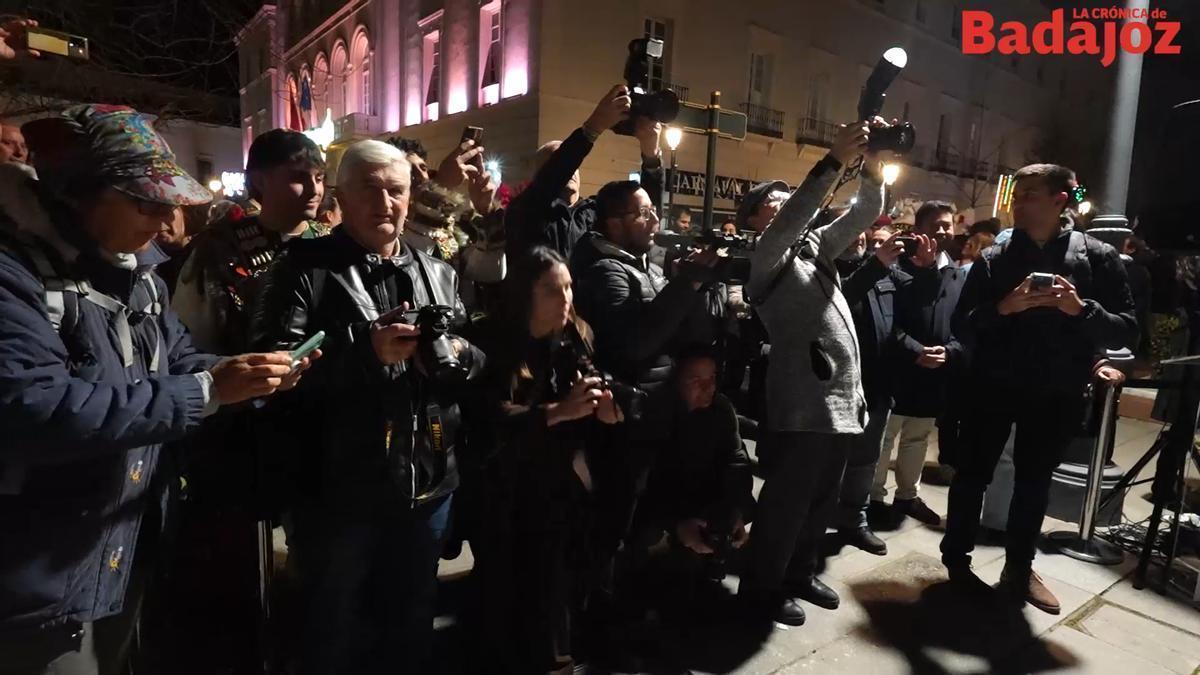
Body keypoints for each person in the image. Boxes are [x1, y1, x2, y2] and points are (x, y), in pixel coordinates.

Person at [0, 104, 313, 675]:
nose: (168, 216)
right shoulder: (14, 275)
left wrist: (243, 374)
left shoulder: (139, 274)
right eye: (146, 201)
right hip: (39, 571)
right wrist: (205, 391)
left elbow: (179, 360)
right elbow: (36, 406)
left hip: (125, 546)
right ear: (76, 194)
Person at [249, 140, 484, 673]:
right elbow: (271, 374)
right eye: (370, 189)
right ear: (342, 196)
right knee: (331, 628)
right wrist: (364, 351)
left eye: (395, 190)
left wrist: (460, 355)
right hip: (335, 490)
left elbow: (472, 360)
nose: (385, 202)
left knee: (410, 620)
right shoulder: (299, 268)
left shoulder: (439, 272)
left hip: (427, 482)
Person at [941, 163, 1138, 615]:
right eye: (1017, 195)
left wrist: (1080, 309)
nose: (1018, 203)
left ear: (1059, 200)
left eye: (1029, 194)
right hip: (991, 387)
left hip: (1054, 392)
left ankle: (1019, 568)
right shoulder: (995, 258)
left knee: (1033, 483)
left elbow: (1127, 330)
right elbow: (963, 325)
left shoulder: (1097, 258)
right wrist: (1004, 307)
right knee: (972, 476)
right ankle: (956, 561)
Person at [738, 120, 887, 626]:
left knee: (821, 500)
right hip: (802, 403)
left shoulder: (814, 248)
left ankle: (799, 572)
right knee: (786, 504)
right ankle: (761, 589)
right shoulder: (766, 255)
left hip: (840, 402)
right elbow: (793, 217)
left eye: (786, 197)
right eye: (773, 201)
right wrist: (832, 162)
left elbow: (865, 211)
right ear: (755, 218)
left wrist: (872, 165)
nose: (785, 203)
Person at [474, 246, 623, 674]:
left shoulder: (576, 334)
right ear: (525, 293)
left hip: (561, 481)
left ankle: (558, 657)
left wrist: (606, 410)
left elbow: (590, 392)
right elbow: (488, 418)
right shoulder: (493, 341)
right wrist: (557, 412)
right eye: (552, 290)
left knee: (560, 581)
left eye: (569, 287)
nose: (566, 299)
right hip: (506, 486)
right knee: (510, 588)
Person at [174, 129, 329, 354]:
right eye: (298, 177)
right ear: (260, 181)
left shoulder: (332, 243)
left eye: (319, 178)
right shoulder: (218, 248)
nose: (314, 190)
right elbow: (191, 342)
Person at [632, 344, 753, 593]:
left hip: (699, 495)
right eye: (696, 381)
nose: (708, 388)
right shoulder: (655, 414)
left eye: (712, 378)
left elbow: (737, 461)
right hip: (659, 501)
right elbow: (640, 482)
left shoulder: (721, 409)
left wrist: (735, 511)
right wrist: (676, 524)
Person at [872, 200, 961, 528]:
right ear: (918, 229)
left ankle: (907, 495)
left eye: (947, 225)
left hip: (934, 373)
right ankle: (873, 497)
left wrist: (949, 351)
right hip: (899, 369)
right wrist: (914, 350)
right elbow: (887, 319)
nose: (943, 231)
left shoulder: (956, 272)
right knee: (885, 436)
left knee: (918, 437)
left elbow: (961, 320)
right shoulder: (897, 268)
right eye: (935, 225)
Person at [504, 84, 664, 261]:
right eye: (561, 162)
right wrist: (593, 127)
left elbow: (642, 210)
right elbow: (553, 175)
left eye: (574, 165)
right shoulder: (526, 211)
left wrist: (651, 155)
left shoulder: (594, 212)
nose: (571, 170)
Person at [833, 224, 905, 555]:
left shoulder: (882, 270)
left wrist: (926, 268)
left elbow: (904, 314)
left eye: (861, 228)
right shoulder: (825, 268)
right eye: (850, 227)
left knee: (865, 459)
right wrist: (875, 266)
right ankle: (814, 525)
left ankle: (854, 521)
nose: (857, 236)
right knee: (829, 462)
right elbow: (842, 298)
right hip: (838, 386)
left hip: (876, 384)